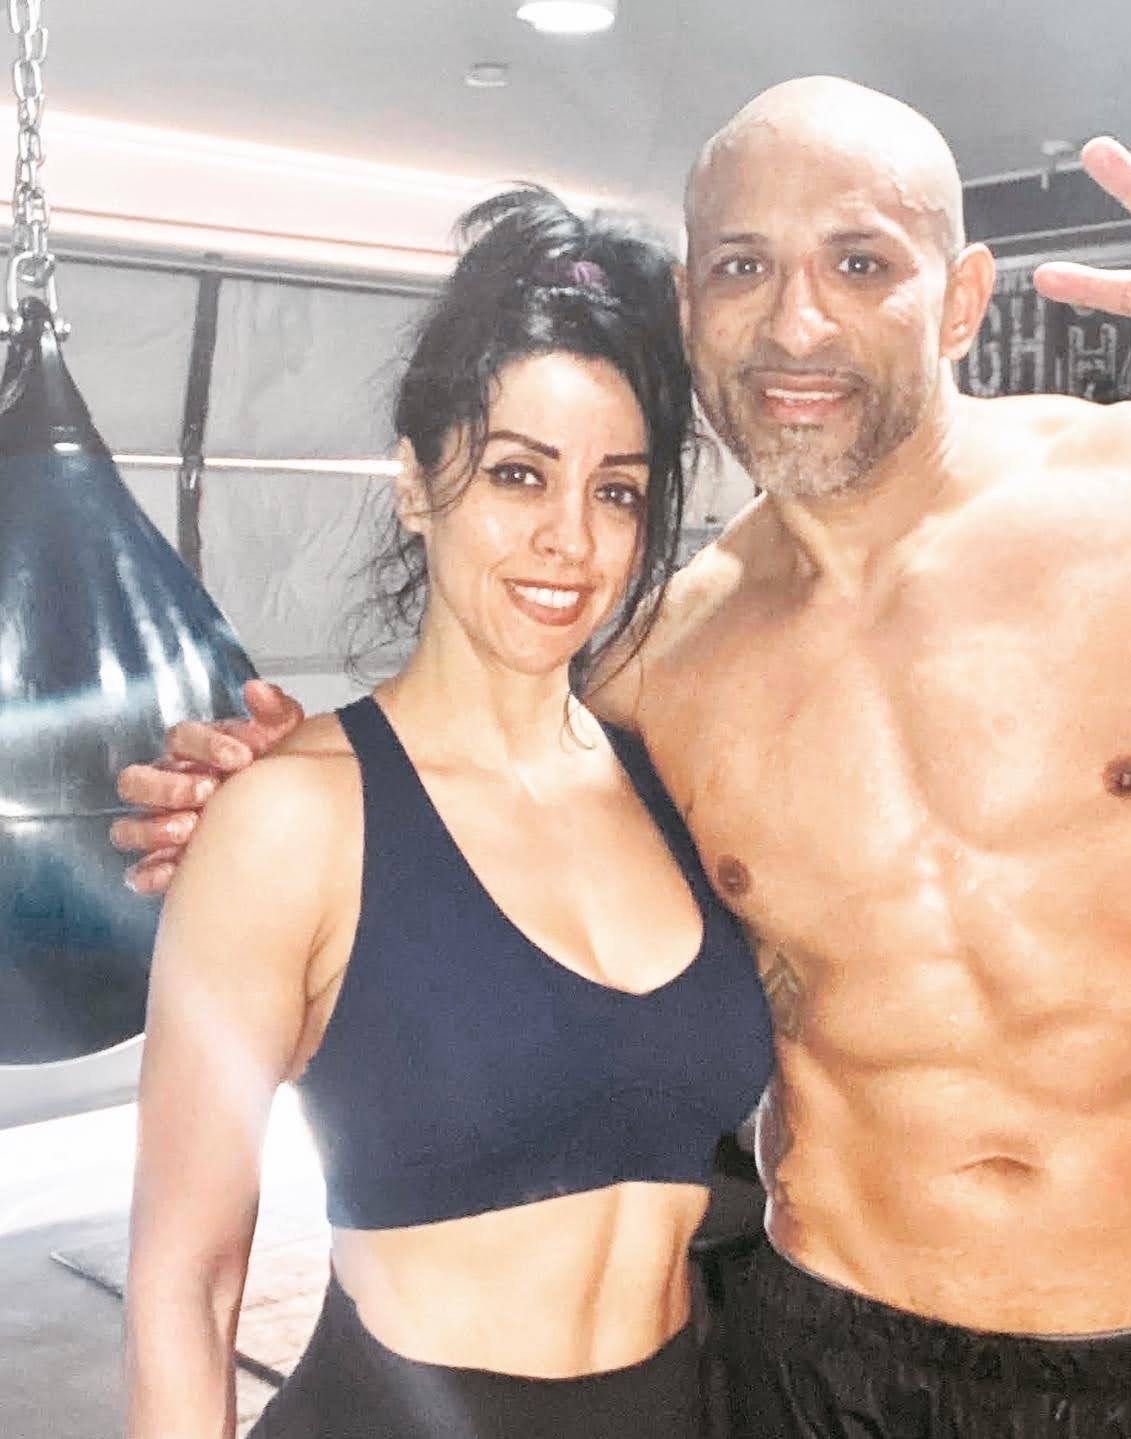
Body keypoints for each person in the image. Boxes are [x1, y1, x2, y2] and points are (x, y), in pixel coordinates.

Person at [111, 78, 1131, 1435]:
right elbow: (448, 792)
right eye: (746, 265)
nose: (798, 320)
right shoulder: (651, 667)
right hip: (815, 1367)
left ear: (961, 299)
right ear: (692, 306)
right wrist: (261, 777)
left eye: (861, 261)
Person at [122, 186, 774, 1439]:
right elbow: (185, 1284)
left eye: (620, 491)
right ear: (417, 483)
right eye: (519, 473)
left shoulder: (679, 784)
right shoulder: (292, 819)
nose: (570, 540)